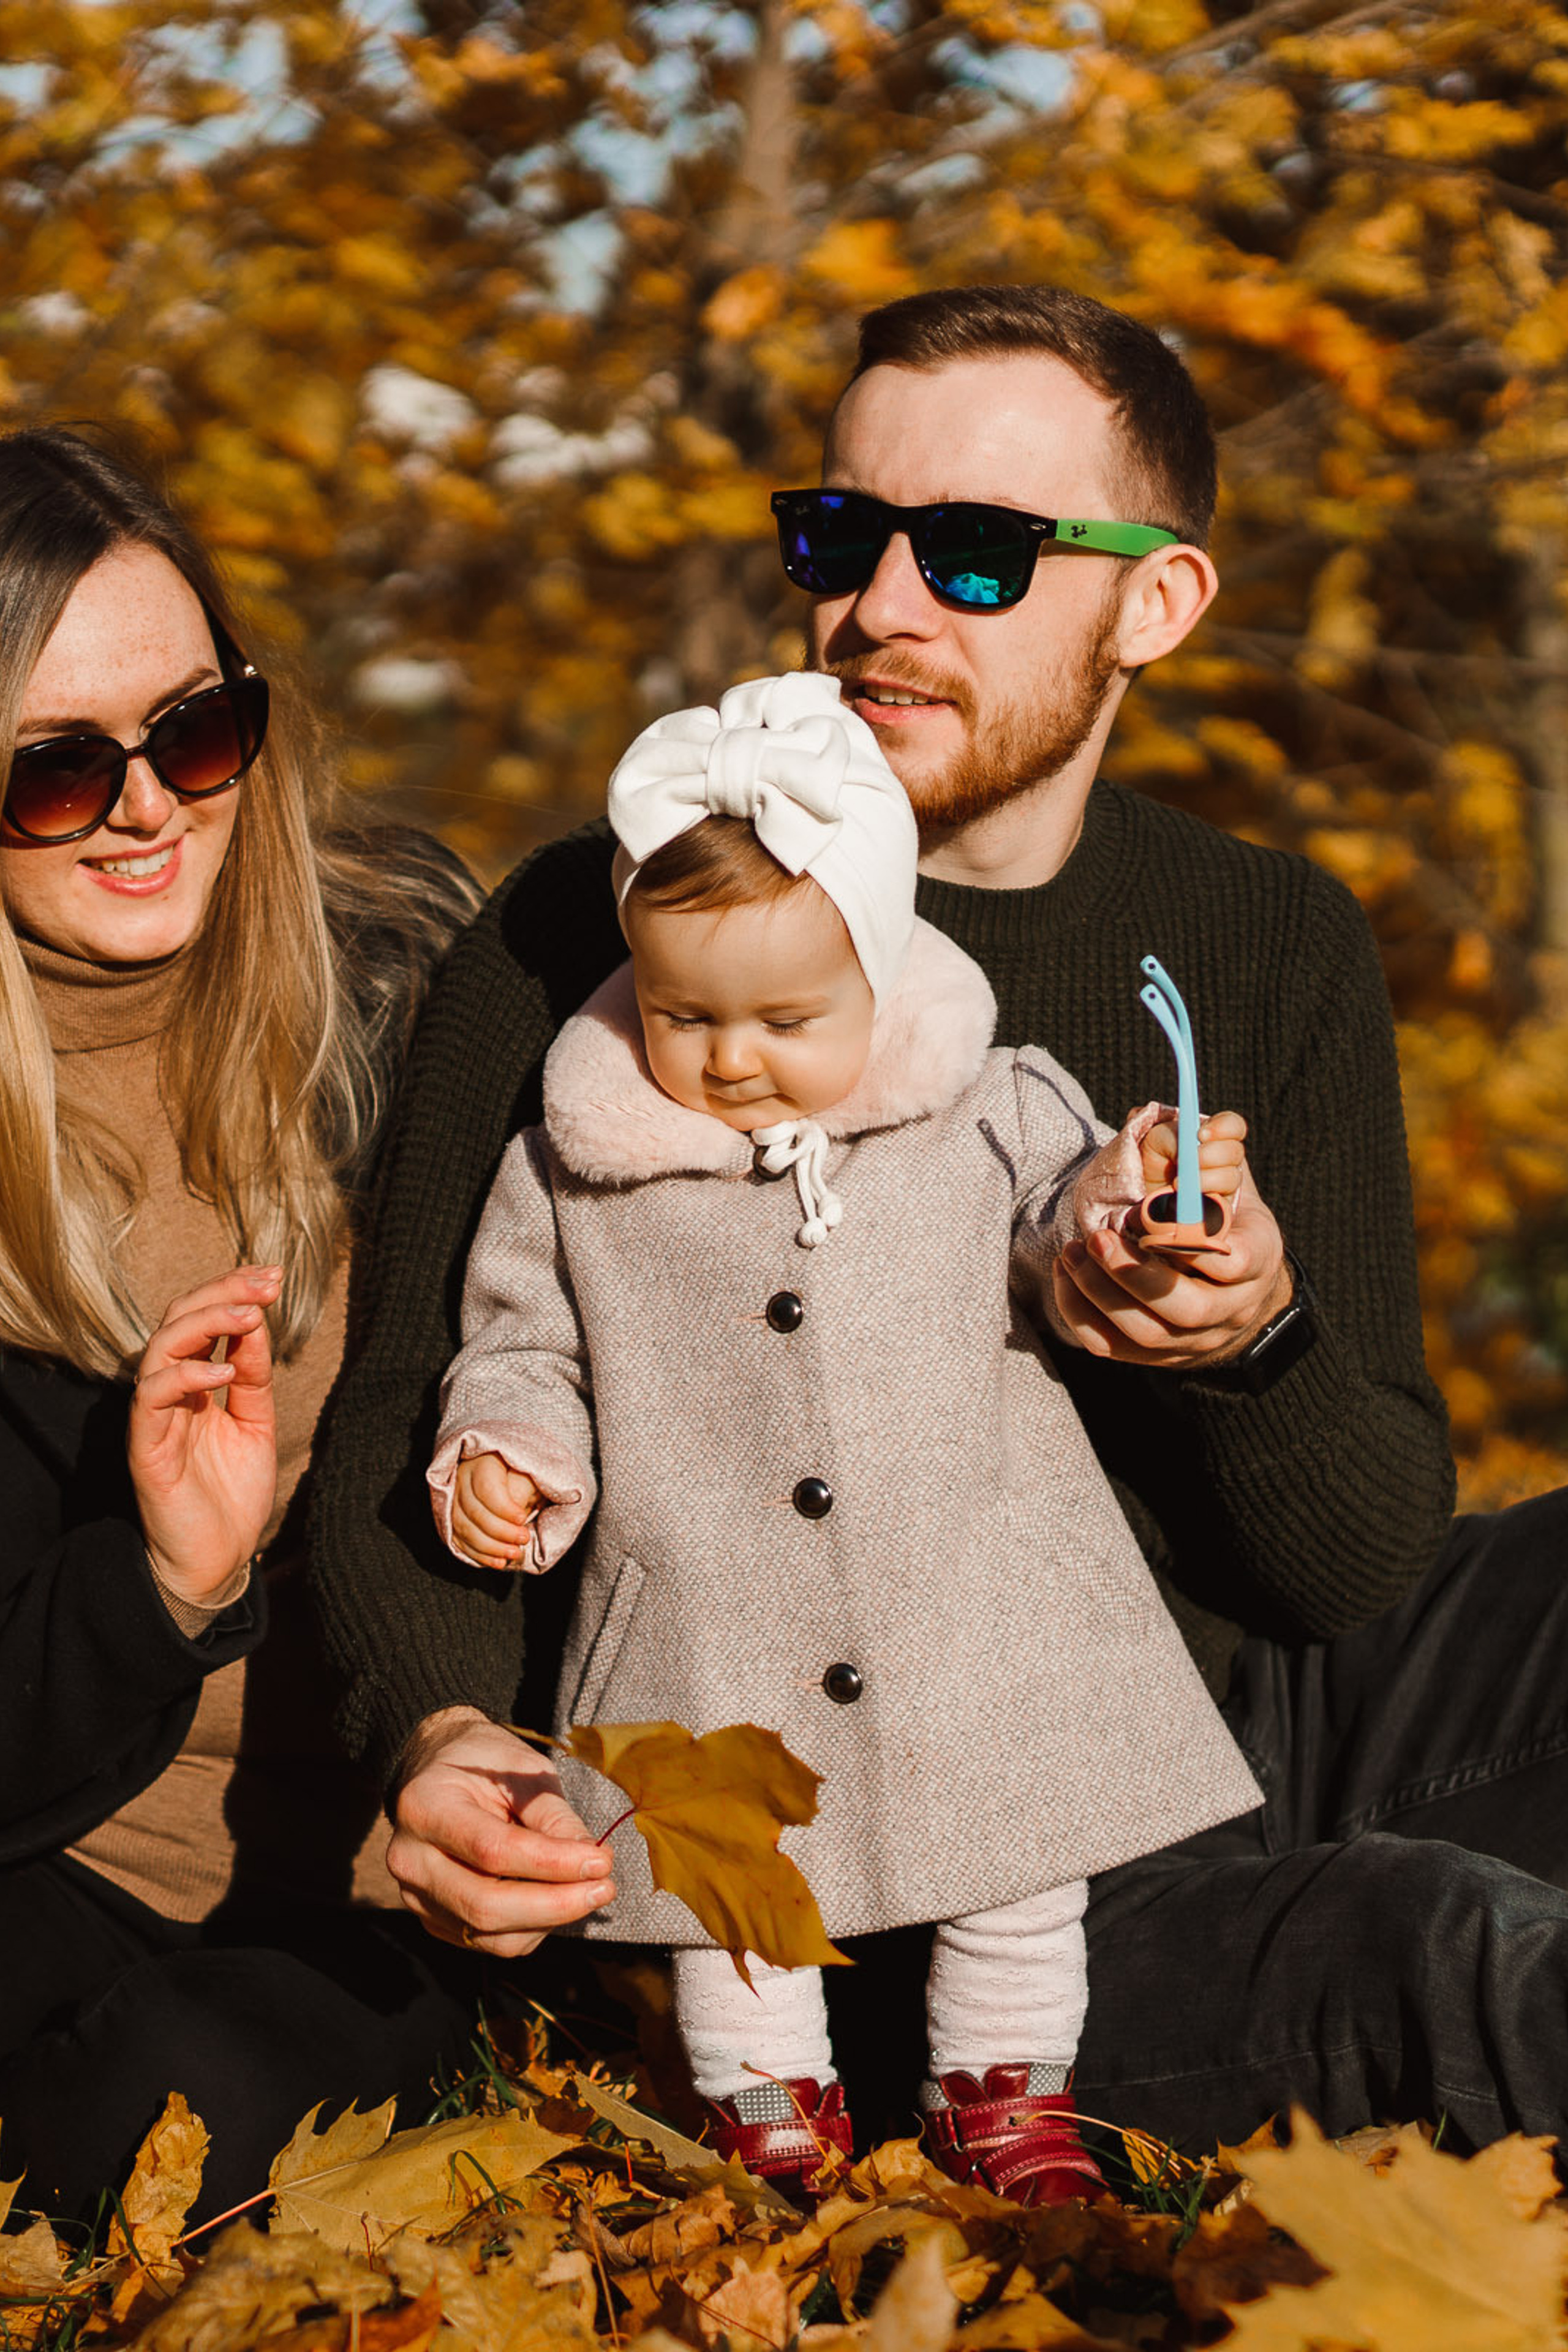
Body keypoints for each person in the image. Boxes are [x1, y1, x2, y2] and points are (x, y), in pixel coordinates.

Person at [312, 284, 1568, 2159]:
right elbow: (419, 1404)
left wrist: (1245, 1345)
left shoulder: (1266, 931)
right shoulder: (597, 928)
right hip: (900, 1862)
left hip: (1221, 1713)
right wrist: (433, 1737)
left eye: (975, 554)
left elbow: (1357, 1559)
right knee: (1452, 1953)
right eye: (840, 534)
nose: (879, 606)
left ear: (1159, 602)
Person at [424, 670, 1261, 2200]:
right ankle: (767, 2118)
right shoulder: (575, 1171)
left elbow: (1059, 1218)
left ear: (880, 977)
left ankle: (1000, 2100)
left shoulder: (986, 1101)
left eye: (787, 1018)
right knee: (729, 1877)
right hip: (710, 1600)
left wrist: (1127, 1208)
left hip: (972, 1577)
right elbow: (521, 1334)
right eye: (684, 1015)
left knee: (1015, 1857)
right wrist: (508, 1448)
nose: (732, 1056)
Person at [0, 425, 482, 2223]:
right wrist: (161, 1586)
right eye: (55, 770)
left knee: (166, 2108)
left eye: (195, 730)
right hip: (67, 1843)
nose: (148, 806)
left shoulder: (415, 985)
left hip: (392, 1867)